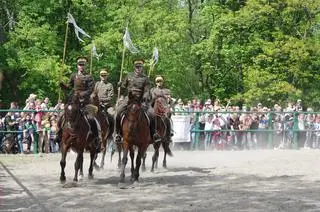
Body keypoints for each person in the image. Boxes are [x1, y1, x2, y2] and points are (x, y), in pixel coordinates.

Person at [58, 56, 102, 152]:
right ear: (77, 66)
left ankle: (96, 138)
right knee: (62, 116)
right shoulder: (73, 76)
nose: (81, 66)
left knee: (92, 119)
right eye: (79, 65)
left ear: (85, 66)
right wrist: (63, 86)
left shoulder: (89, 76)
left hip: (85, 103)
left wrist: (81, 94)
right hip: (74, 102)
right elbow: (69, 87)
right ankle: (59, 134)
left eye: (83, 65)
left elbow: (91, 89)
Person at [114, 59, 156, 143]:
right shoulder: (128, 76)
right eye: (137, 67)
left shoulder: (145, 78)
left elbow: (147, 90)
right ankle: (118, 134)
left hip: (141, 99)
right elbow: (123, 87)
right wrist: (119, 86)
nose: (138, 68)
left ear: (142, 68)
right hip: (129, 99)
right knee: (117, 112)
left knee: (152, 114)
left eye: (140, 67)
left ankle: (153, 134)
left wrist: (144, 97)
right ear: (134, 67)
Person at [150, 75, 174, 143]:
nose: (159, 83)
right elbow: (150, 101)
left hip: (164, 108)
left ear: (162, 82)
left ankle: (169, 133)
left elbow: (171, 101)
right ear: (156, 82)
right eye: (158, 81)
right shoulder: (152, 90)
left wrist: (170, 104)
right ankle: (151, 133)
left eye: (160, 81)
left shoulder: (167, 91)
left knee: (168, 116)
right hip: (154, 107)